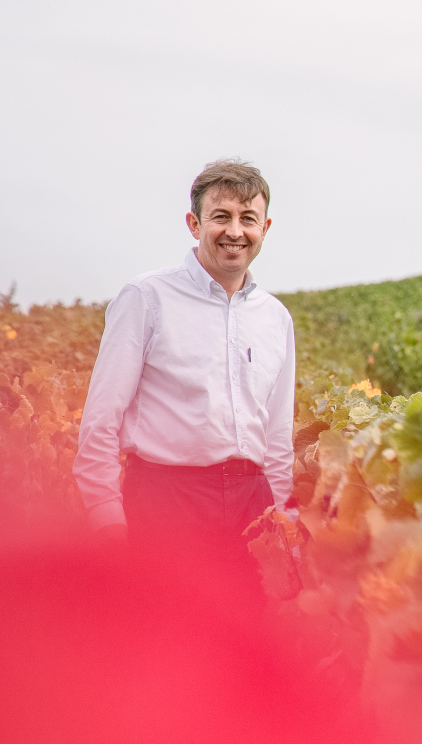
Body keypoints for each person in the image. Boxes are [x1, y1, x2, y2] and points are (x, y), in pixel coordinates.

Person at [74, 159, 296, 592]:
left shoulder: (276, 318)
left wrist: (285, 524)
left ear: (265, 228)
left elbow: (278, 438)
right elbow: (101, 419)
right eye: (221, 217)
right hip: (166, 504)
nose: (235, 231)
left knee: (246, 646)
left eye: (248, 219)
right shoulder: (146, 297)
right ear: (195, 224)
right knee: (166, 645)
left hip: (253, 510)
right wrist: (106, 520)